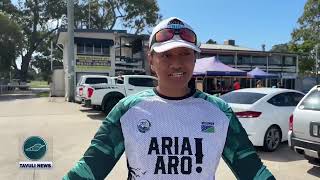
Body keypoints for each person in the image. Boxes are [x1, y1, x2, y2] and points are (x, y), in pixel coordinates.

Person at [64, 17, 275, 180]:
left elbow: (252, 170)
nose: (176, 64)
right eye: (166, 55)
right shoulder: (126, 110)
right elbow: (90, 167)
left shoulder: (220, 112)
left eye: (185, 54)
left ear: (195, 59)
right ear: (151, 60)